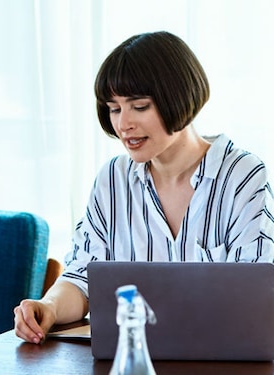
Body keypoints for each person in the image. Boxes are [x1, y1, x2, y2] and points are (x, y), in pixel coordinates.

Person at [14, 31, 274, 344]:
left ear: (179, 99)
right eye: (114, 108)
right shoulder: (113, 179)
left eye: (139, 107)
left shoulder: (242, 176)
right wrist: (48, 307)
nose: (124, 124)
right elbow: (83, 276)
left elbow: (257, 296)